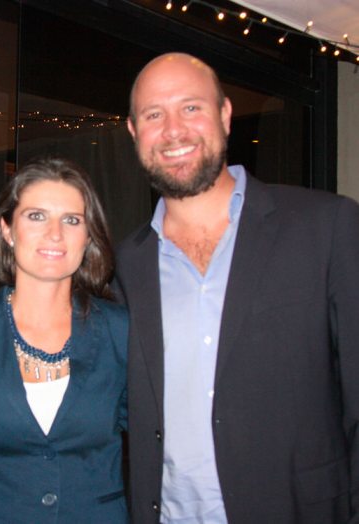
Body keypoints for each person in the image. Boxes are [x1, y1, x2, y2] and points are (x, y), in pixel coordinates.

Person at [114, 52, 359, 523]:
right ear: (133, 131)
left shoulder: (326, 226)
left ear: (225, 115)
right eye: (153, 115)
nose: (173, 130)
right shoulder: (125, 264)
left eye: (191, 107)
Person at [0, 157, 129, 523]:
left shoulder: (121, 331)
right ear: (7, 230)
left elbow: (160, 440)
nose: (55, 234)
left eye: (72, 220)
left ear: (88, 236)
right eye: (36, 216)